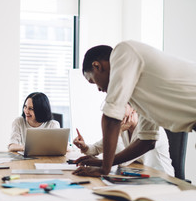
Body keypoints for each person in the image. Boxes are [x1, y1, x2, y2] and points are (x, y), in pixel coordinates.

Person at [74, 40, 196, 177]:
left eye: (92, 81)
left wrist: (104, 168)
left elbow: (111, 118)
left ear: (97, 66)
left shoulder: (123, 51)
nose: (98, 89)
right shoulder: (141, 96)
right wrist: (100, 163)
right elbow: (147, 141)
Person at [73, 104, 174, 176]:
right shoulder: (124, 128)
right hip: (142, 174)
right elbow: (98, 147)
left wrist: (118, 133)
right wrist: (85, 147)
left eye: (122, 107)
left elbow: (122, 162)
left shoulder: (148, 129)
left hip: (162, 178)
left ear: (134, 108)